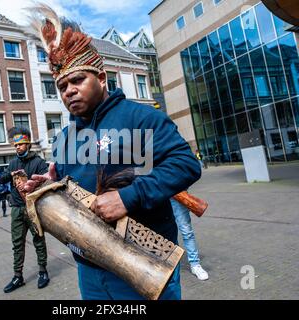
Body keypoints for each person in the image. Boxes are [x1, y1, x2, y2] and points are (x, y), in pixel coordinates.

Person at [24, 5, 201, 300]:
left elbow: (185, 164)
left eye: (77, 80)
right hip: (89, 270)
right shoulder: (65, 138)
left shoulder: (138, 118)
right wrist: (48, 188)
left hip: (143, 265)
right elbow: (72, 194)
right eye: (61, 85)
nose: (69, 90)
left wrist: (127, 197)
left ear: (102, 78)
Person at [0, 126, 50, 293]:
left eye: (20, 144)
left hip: (34, 208)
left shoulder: (39, 162)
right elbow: (3, 177)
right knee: (17, 243)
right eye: (15, 145)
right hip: (16, 209)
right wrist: (7, 175)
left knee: (39, 240)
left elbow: (47, 182)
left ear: (28, 144)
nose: (17, 147)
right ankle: (17, 276)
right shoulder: (13, 162)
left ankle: (43, 271)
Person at [170, 198, 209, 281]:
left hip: (176, 196)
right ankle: (166, 262)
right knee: (163, 232)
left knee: (187, 232)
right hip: (157, 196)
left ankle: (195, 264)